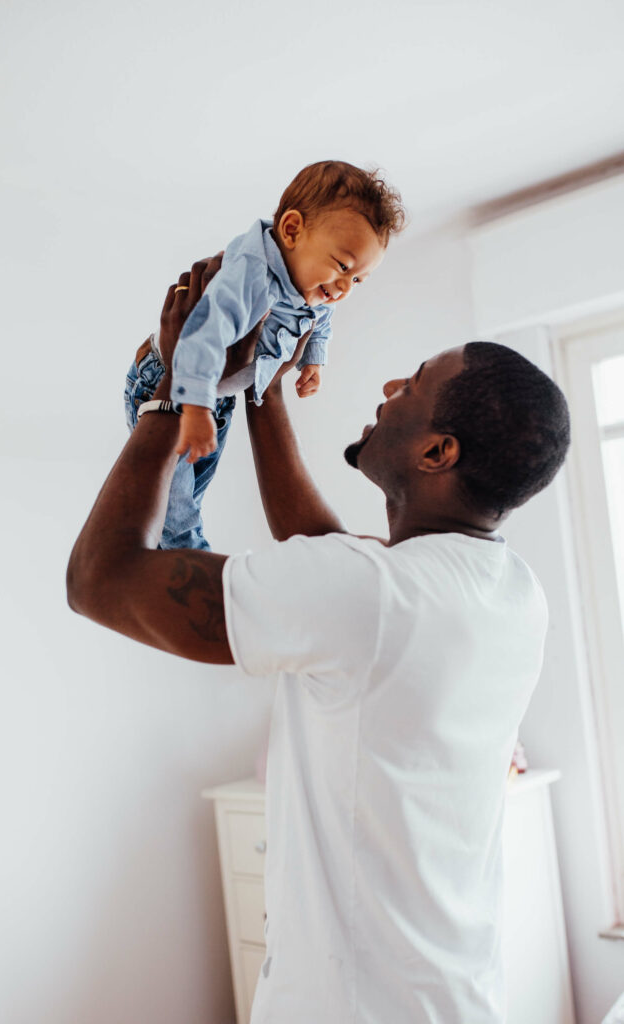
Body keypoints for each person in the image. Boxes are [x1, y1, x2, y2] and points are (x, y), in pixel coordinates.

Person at [67, 255, 571, 1023]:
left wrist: (175, 394)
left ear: (439, 453)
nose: (387, 390)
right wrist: (262, 382)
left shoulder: (368, 596)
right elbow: (328, 558)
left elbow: (100, 579)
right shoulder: (506, 590)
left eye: (410, 385)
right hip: (449, 998)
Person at [124, 160, 405, 549]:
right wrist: (193, 406)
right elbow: (200, 337)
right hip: (175, 381)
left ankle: (172, 546)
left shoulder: (314, 284)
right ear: (291, 230)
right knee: (177, 515)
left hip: (218, 398)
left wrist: (313, 360)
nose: (345, 288)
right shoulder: (250, 275)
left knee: (190, 495)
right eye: (342, 266)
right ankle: (189, 563)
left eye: (357, 279)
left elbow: (321, 319)